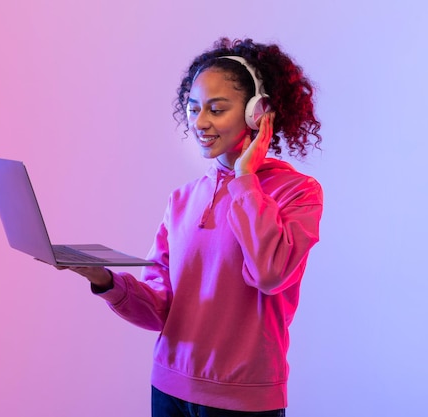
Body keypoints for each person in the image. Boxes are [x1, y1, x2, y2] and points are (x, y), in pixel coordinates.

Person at [57, 38, 323, 417]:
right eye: (194, 109)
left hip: (243, 399)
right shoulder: (182, 200)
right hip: (169, 387)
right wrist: (104, 280)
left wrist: (245, 178)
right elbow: (161, 308)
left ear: (257, 114)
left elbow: (269, 273)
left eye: (216, 109)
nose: (200, 122)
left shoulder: (297, 192)